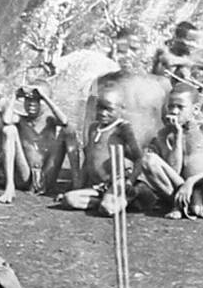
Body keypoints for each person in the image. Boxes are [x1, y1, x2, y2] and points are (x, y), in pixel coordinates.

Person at [141, 83, 203, 220]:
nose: (174, 111)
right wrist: (177, 135)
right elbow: (173, 171)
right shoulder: (164, 134)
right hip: (178, 189)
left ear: (195, 110)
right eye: (171, 106)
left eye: (180, 107)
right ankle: (179, 204)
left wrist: (192, 181)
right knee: (148, 160)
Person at [0, 80, 74, 203]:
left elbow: (64, 121)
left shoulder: (49, 119)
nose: (32, 104)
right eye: (28, 99)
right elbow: (6, 120)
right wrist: (15, 96)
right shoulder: (21, 119)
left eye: (38, 100)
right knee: (9, 130)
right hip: (24, 175)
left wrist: (45, 97)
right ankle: (9, 187)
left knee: (69, 131)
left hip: (47, 174)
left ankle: (77, 183)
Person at [56, 81, 144, 213]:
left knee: (108, 208)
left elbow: (139, 159)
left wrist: (130, 182)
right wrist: (78, 186)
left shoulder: (122, 129)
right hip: (99, 187)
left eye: (109, 109)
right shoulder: (93, 128)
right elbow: (88, 159)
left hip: (117, 182)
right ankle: (107, 201)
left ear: (121, 108)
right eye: (100, 107)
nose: (103, 113)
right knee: (69, 199)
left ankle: (129, 197)